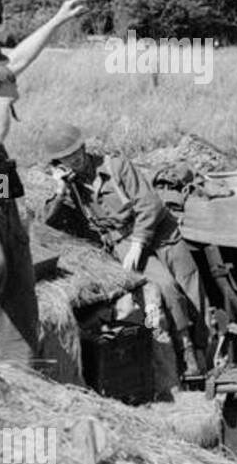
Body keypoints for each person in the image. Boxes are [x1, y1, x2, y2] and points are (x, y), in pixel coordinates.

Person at [0, 0, 88, 363]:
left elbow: (19, 59)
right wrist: (5, 97)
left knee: (19, 289)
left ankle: (20, 373)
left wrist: (57, 19)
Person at [41, 122, 206, 377]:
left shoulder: (116, 166)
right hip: (123, 241)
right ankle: (185, 351)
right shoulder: (69, 187)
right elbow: (45, 222)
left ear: (84, 148)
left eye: (76, 155)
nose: (75, 162)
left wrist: (139, 243)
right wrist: (60, 189)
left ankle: (203, 350)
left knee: (190, 284)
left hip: (158, 231)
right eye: (66, 159)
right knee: (166, 287)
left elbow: (149, 205)